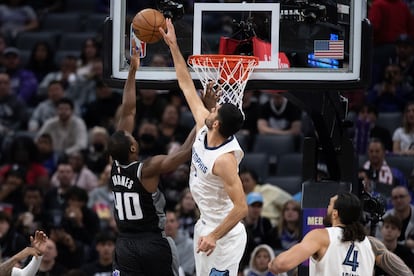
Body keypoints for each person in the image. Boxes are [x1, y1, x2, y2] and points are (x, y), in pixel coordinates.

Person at [161, 18, 248, 276]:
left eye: (216, 109)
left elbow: (241, 207)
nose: (212, 107)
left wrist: (214, 235)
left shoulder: (225, 160)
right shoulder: (204, 126)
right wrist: (173, 46)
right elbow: (186, 85)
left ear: (218, 123)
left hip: (225, 235)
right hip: (206, 224)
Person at [107, 40, 196, 276]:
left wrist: (133, 70)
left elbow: (127, 111)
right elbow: (185, 152)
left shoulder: (113, 165)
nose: (132, 132)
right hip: (152, 243)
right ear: (133, 149)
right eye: (131, 137)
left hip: (125, 244)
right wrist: (203, 116)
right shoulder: (148, 168)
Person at [268, 192, 413, 276]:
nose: (327, 207)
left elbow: (281, 265)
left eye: (330, 204)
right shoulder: (372, 244)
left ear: (335, 213)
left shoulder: (321, 236)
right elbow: (405, 273)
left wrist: (273, 264)